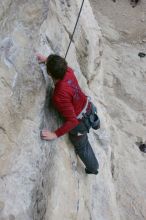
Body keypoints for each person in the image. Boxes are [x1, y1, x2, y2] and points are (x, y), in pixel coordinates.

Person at [37, 54, 99, 175]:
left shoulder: (59, 95)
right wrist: (48, 61)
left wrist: (55, 134)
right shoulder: (68, 71)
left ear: (49, 73)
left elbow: (73, 121)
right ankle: (96, 124)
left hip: (80, 123)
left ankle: (93, 168)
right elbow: (60, 64)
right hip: (89, 107)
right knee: (92, 118)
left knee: (82, 145)